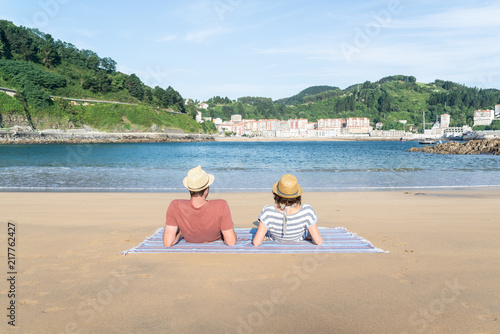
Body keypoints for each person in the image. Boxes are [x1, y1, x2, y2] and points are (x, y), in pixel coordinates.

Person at [163, 165, 237, 247]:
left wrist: (180, 234)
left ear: (189, 189)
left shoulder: (175, 205)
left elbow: (168, 242)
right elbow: (231, 242)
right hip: (214, 239)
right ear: (207, 189)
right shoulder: (221, 205)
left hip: (190, 239)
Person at [253, 174, 322, 247]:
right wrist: (310, 237)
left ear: (277, 195)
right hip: (298, 238)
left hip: (275, 238)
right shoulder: (307, 211)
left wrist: (264, 238)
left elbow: (256, 242)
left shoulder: (268, 212)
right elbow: (318, 241)